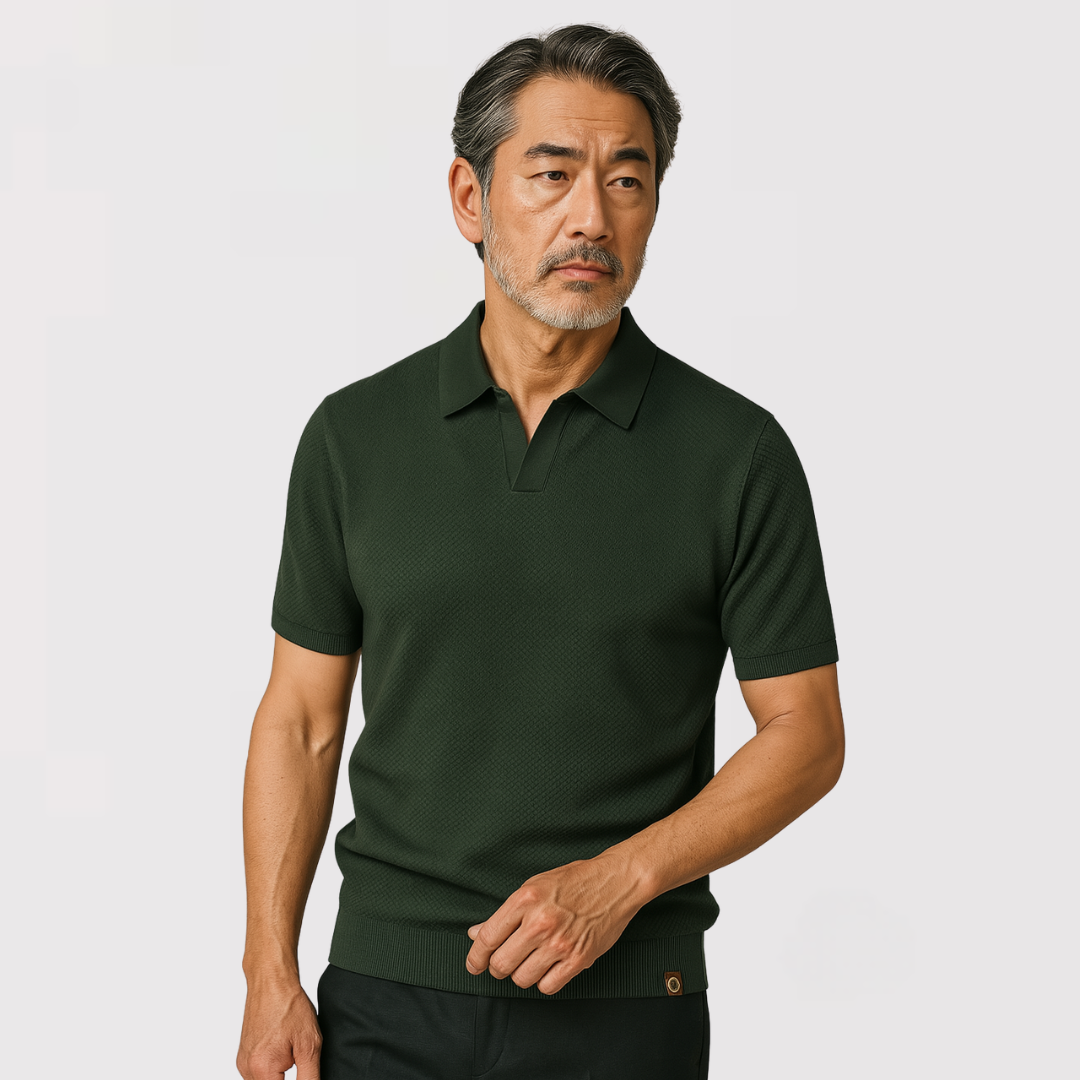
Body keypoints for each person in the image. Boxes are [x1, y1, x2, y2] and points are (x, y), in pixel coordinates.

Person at [237, 23, 844, 1080]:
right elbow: (300, 720)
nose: (591, 217)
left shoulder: (737, 453)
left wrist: (621, 880)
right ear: (470, 199)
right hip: (383, 997)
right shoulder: (354, 437)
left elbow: (807, 734)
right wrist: (268, 970)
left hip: (625, 1003)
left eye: (627, 180)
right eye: (553, 174)